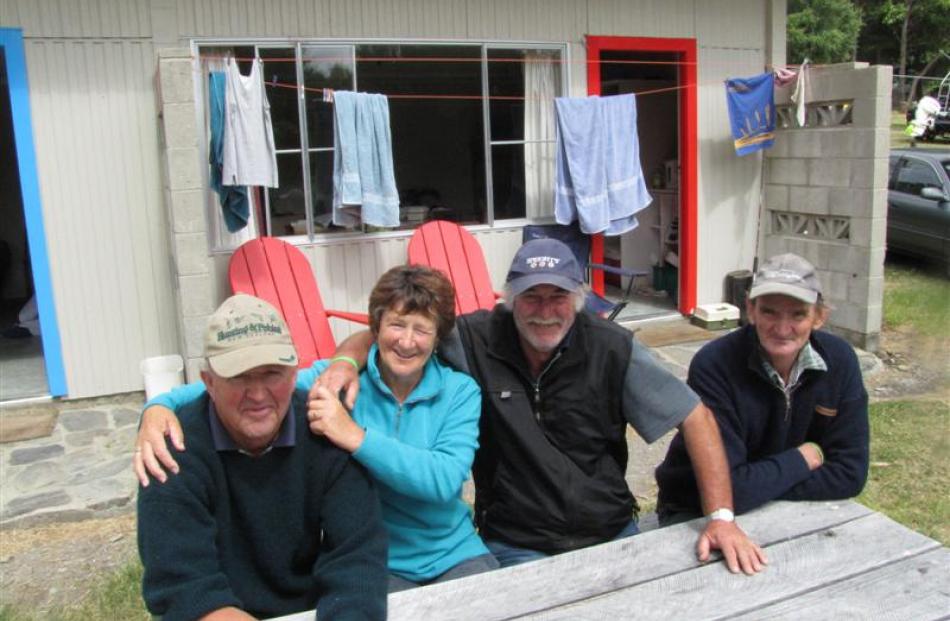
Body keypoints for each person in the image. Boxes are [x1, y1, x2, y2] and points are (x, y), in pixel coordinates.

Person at [139, 240, 766, 575]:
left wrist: (722, 514)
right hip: (509, 541)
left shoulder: (606, 349)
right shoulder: (471, 339)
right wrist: (162, 406)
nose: (543, 308)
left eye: (558, 296)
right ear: (506, 298)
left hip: (605, 531)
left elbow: (696, 416)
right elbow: (269, 383)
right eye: (530, 296)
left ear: (580, 298)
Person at [137, 266, 498, 592]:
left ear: (438, 339)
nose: (406, 341)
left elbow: (444, 480)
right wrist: (158, 406)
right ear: (375, 328)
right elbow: (240, 384)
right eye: (396, 325)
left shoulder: (459, 392)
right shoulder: (336, 380)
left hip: (454, 554)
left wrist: (355, 437)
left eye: (422, 330)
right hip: (378, 561)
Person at [136, 293, 387, 621]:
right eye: (239, 376)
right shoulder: (172, 452)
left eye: (271, 373)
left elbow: (357, 559)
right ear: (208, 383)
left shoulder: (326, 431)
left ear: (294, 374)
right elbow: (185, 591)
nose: (257, 394)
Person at [654, 253, 870, 525]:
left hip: (781, 506)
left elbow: (851, 474)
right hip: (698, 511)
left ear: (819, 317)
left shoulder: (840, 360)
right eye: (769, 311)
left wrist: (759, 484)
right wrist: (804, 457)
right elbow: (727, 490)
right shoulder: (714, 365)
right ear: (751, 309)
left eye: (798, 314)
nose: (782, 328)